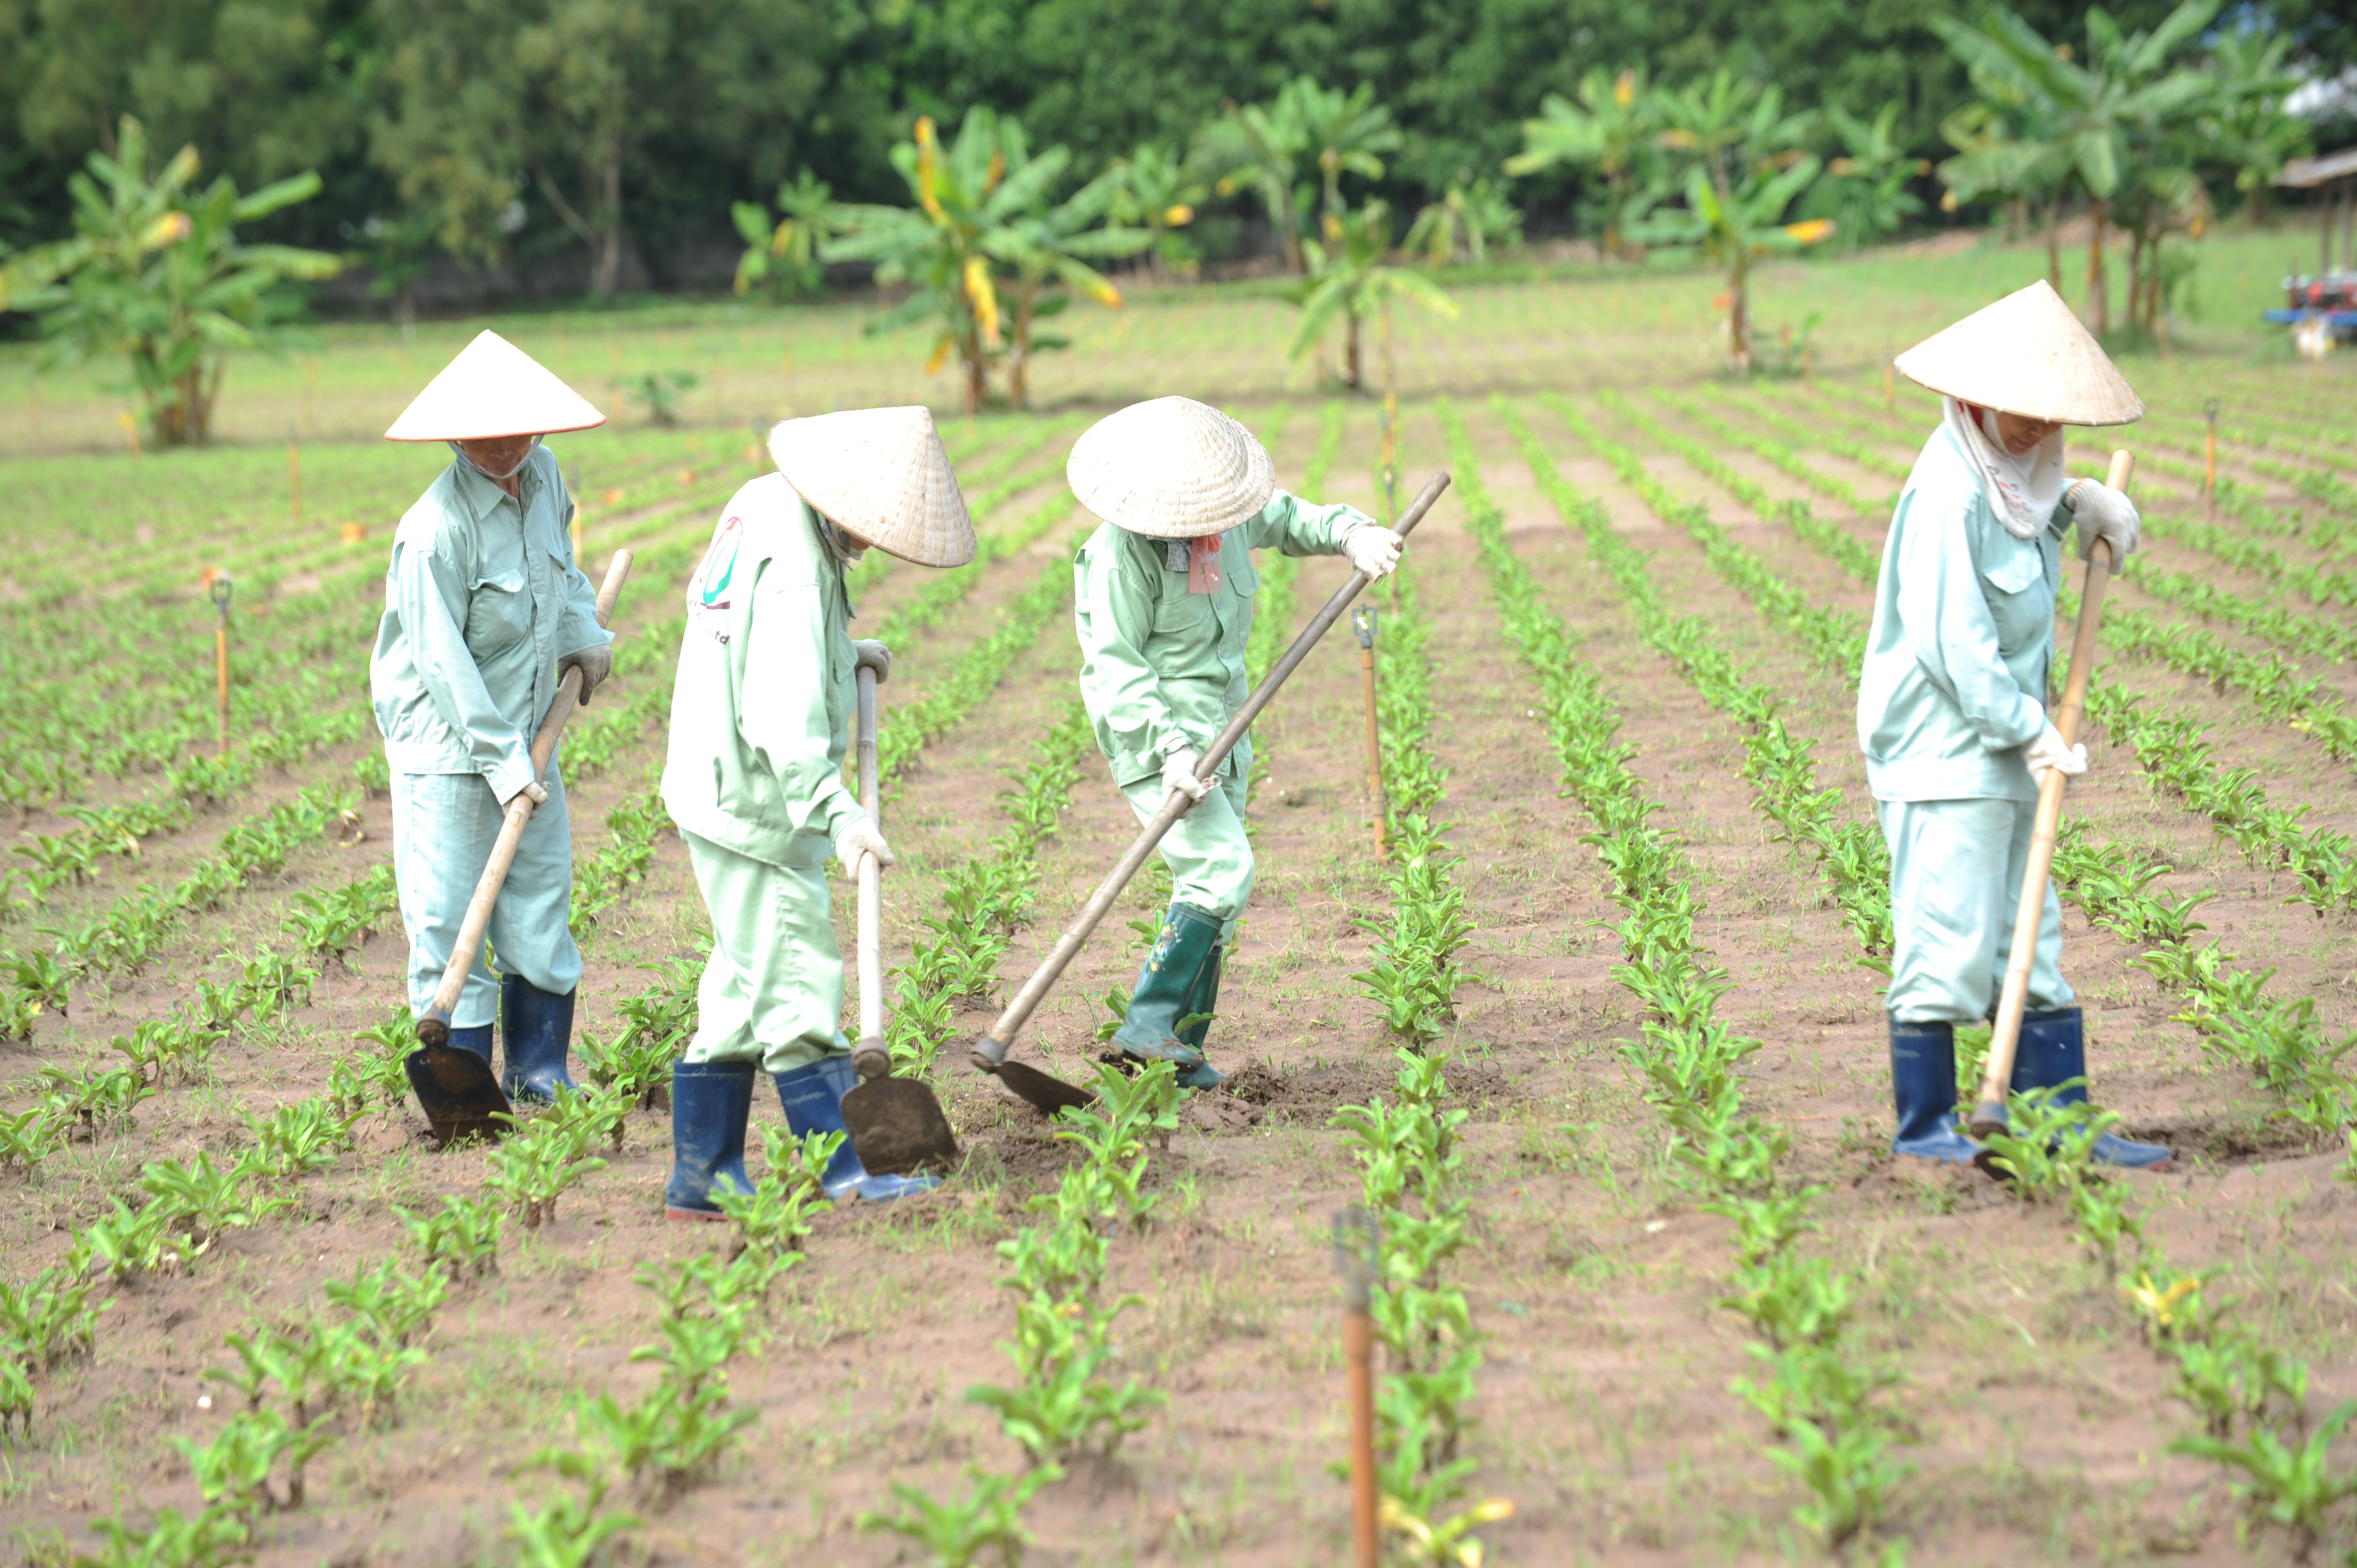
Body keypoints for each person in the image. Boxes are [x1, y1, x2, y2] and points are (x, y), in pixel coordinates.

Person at [1861, 280, 2169, 1168]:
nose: (2035, 427)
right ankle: (1927, 1130)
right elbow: (1955, 643)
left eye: (2049, 413)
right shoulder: (1946, 494)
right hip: (1945, 755)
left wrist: (2078, 503)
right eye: (2019, 411)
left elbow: (2028, 509)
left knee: (2031, 942)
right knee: (1948, 938)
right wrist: (2028, 727)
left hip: (2006, 749)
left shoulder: (2018, 471)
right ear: (1974, 399)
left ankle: (2055, 1119)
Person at [662, 406, 977, 1219]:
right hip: (758, 798)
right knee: (798, 976)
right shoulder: (802, 566)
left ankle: (704, 1175)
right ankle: (846, 1171)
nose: (872, 544)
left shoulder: (764, 498)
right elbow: (781, 717)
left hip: (713, 775)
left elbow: (758, 639)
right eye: (870, 529)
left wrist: (842, 652)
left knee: (740, 987)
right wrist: (839, 817)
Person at [1066, 396, 1401, 1091]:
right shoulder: (1117, 556)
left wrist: (1351, 533)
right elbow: (1114, 668)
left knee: (1214, 893)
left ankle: (1179, 1056)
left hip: (1227, 728)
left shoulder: (1226, 512)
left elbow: (1291, 517)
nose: (1207, 525)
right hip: (1159, 741)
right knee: (1222, 873)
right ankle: (1146, 1025)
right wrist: (1169, 750)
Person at [372, 330, 613, 1104]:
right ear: (452, 434)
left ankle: (540, 1070)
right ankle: (461, 1084)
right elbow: (444, 669)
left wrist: (584, 636)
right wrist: (505, 767)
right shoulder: (433, 531)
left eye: (517, 428)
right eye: (483, 433)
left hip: (530, 731)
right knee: (450, 918)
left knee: (540, 901)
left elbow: (566, 571)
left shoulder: (544, 476)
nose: (503, 444)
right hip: (449, 750)